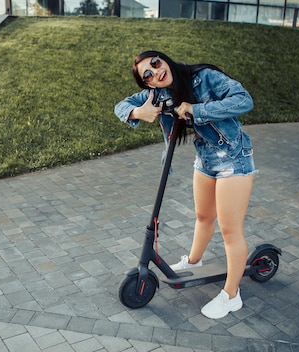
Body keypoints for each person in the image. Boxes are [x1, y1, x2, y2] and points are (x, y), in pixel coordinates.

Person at [114, 50, 256, 319]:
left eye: (155, 64)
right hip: (205, 158)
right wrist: (137, 111)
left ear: (164, 59)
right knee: (203, 216)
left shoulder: (203, 78)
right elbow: (120, 106)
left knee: (230, 231)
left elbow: (243, 100)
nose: (155, 72)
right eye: (147, 75)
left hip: (234, 157)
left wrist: (198, 110)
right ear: (148, 85)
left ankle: (231, 295)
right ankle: (194, 261)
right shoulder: (158, 93)